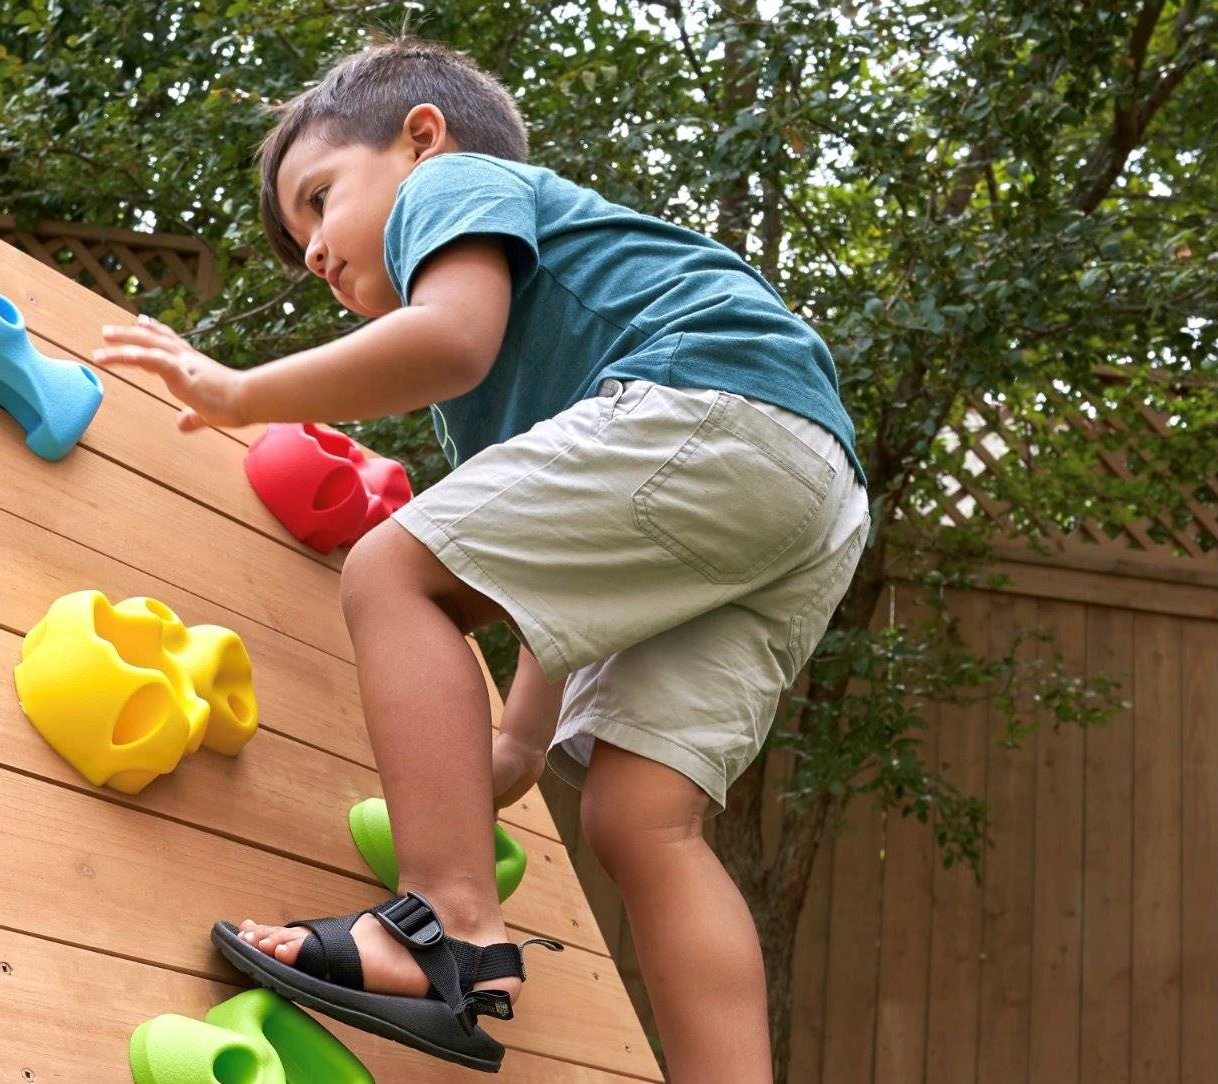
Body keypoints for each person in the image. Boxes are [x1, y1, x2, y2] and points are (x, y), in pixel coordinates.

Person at [92, 35, 868, 1081]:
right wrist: (516, 745)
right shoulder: (508, 397)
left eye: (319, 200)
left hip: (711, 405)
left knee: (387, 569)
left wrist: (238, 391)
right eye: (300, 241)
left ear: (421, 139)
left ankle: (446, 925)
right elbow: (566, 579)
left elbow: (449, 339)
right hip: (802, 491)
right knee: (642, 822)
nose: (314, 254)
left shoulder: (454, 185)